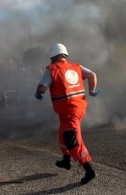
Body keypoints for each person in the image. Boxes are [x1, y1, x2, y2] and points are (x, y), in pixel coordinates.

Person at [35, 43, 98, 185]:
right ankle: (66, 160)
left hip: (69, 112)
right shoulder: (76, 66)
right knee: (63, 133)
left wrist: (38, 93)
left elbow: (42, 87)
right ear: (65, 55)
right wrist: (92, 91)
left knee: (73, 141)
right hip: (78, 108)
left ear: (52, 57)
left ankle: (89, 170)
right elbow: (92, 75)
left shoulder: (52, 69)